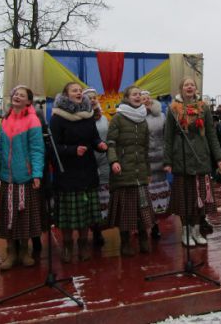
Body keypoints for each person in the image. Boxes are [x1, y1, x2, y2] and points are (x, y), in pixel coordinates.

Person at [164, 77, 221, 246]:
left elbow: (212, 135)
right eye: (186, 85)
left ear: (196, 88)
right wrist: (167, 160)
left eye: (192, 84)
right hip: (181, 157)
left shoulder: (203, 107)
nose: (189, 87)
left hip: (201, 157)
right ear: (181, 88)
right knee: (185, 198)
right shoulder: (172, 109)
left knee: (200, 197)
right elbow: (168, 137)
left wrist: (219, 157)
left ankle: (196, 230)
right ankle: (185, 232)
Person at [50, 82, 108, 263]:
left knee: (86, 215)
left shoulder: (88, 115)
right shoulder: (58, 118)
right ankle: (67, 246)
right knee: (68, 217)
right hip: (67, 173)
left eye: (80, 91)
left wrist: (99, 144)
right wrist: (72, 150)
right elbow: (53, 147)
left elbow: (93, 137)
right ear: (66, 95)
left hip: (88, 170)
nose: (79, 93)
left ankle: (83, 245)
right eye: (74, 90)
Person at [0, 85, 45, 270]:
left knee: (24, 216)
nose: (17, 96)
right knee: (8, 217)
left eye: (22, 95)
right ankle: (10, 252)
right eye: (16, 94)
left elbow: (37, 150)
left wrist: (37, 173)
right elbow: (1, 150)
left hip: (26, 177)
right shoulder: (5, 120)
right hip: (7, 178)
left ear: (29, 101)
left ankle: (24, 250)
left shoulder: (33, 120)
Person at [107, 85, 154, 256]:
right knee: (125, 211)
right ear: (126, 97)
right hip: (123, 171)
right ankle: (125, 242)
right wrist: (113, 161)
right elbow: (111, 143)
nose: (138, 96)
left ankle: (143, 239)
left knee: (143, 210)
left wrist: (148, 172)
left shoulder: (143, 120)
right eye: (134, 94)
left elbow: (145, 148)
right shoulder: (118, 118)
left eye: (140, 94)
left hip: (139, 172)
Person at [140, 90, 171, 240]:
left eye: (148, 98)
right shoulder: (134, 117)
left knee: (156, 198)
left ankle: (155, 225)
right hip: (142, 162)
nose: (145, 100)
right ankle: (143, 225)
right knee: (144, 195)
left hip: (159, 159)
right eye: (142, 98)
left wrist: (167, 158)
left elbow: (167, 138)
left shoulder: (161, 116)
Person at [83, 88, 109, 247]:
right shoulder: (81, 118)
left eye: (94, 97)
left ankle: (102, 227)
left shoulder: (104, 118)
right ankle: (94, 230)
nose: (92, 100)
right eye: (89, 98)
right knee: (92, 197)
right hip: (88, 161)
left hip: (104, 161)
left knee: (104, 195)